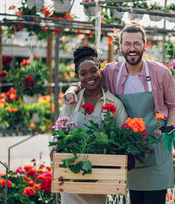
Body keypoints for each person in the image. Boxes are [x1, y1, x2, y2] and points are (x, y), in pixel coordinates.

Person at [63, 22, 175, 204]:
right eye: (127, 44)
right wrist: (71, 90)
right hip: (130, 152)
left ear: (145, 45)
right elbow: (87, 79)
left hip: (156, 149)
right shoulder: (111, 71)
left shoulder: (161, 73)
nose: (132, 48)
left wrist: (169, 127)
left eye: (136, 43)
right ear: (120, 47)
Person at [53, 44, 128, 204]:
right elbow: (59, 132)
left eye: (93, 71)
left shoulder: (115, 104)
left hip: (98, 175)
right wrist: (55, 149)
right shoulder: (72, 101)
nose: (89, 76)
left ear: (100, 70)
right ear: (78, 77)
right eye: (83, 73)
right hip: (71, 173)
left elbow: (124, 137)